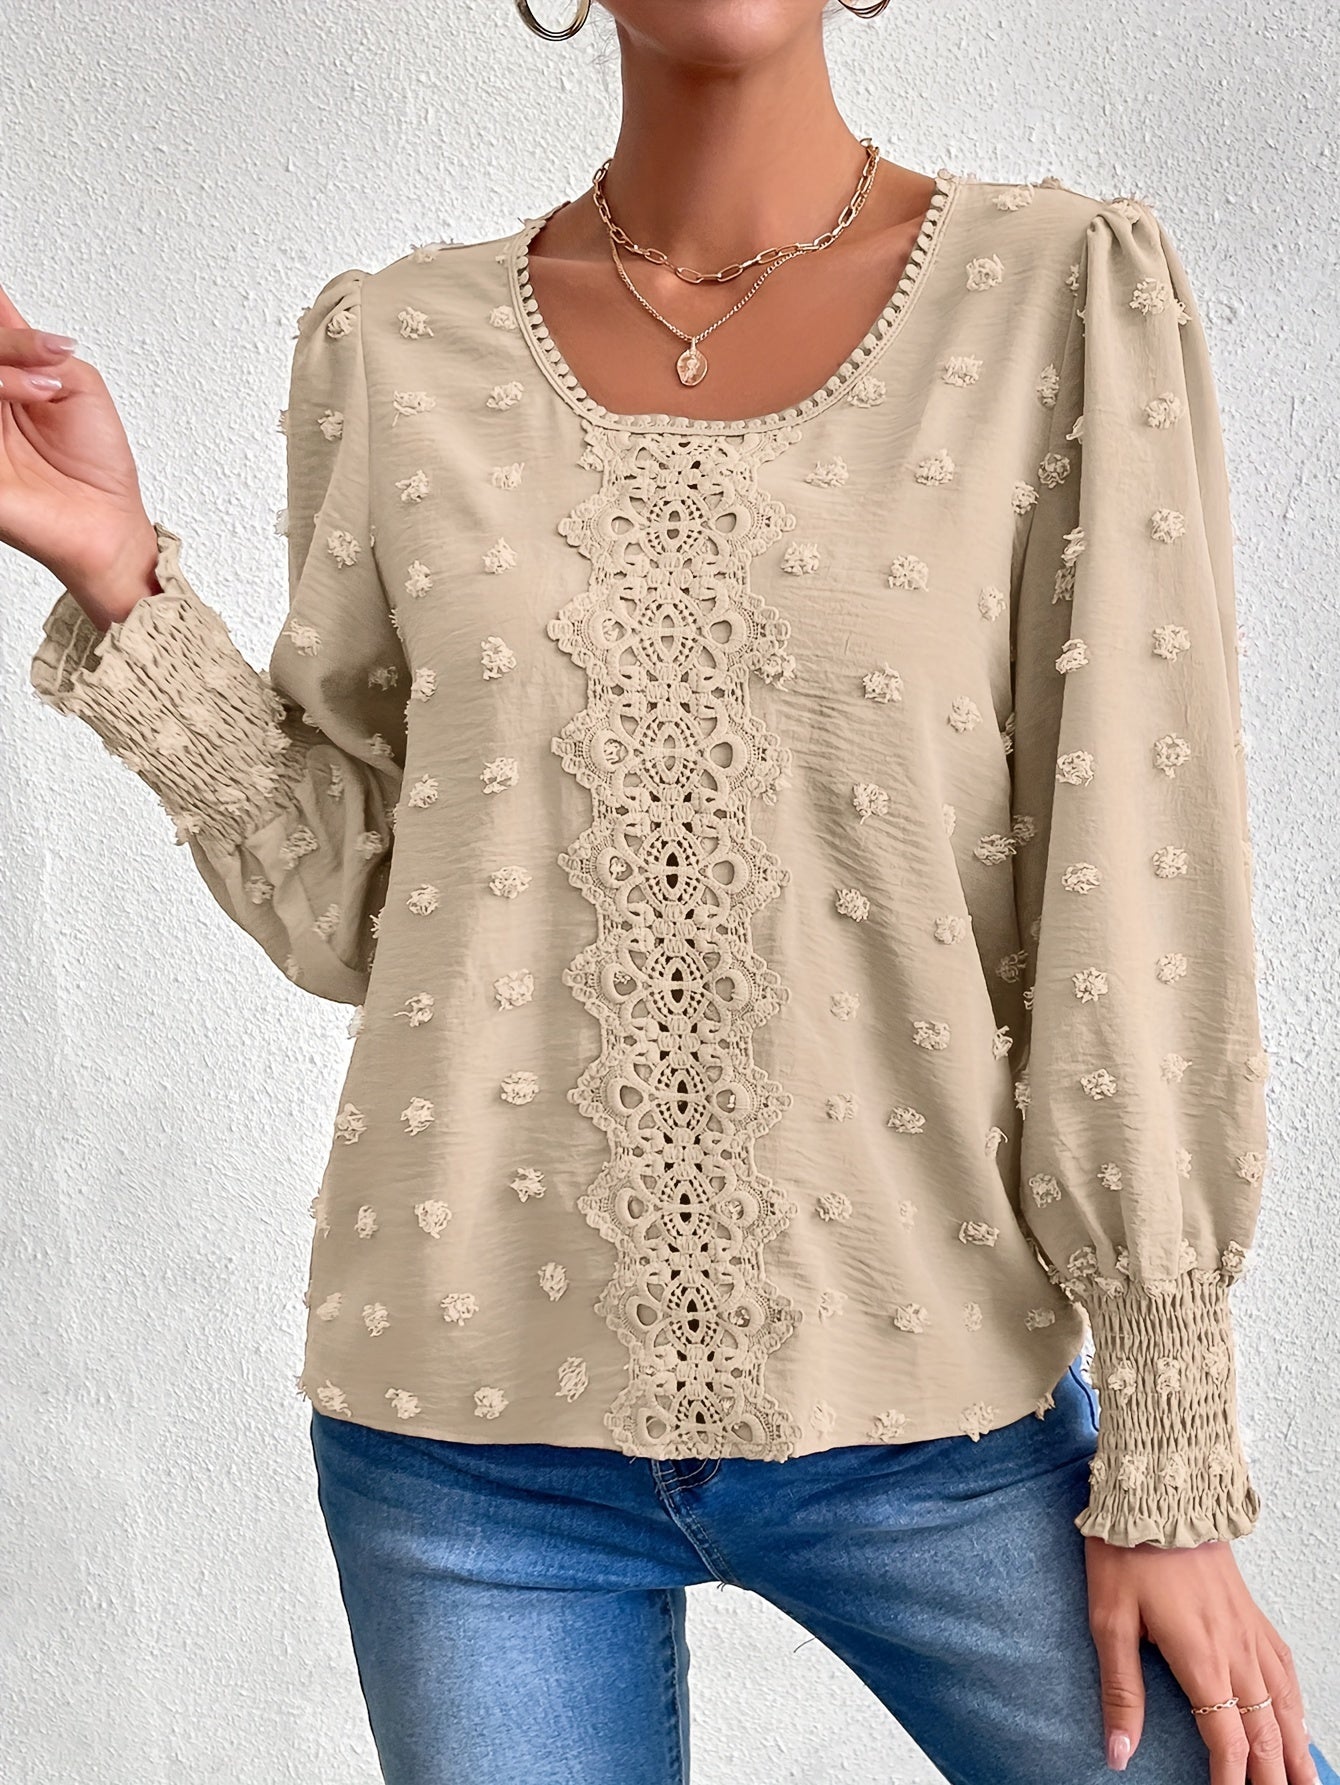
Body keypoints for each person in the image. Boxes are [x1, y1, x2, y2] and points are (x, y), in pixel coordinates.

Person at [3, 1, 1334, 1781]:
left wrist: (1166, 1450)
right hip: (462, 1444)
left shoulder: (1057, 297)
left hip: (936, 1411)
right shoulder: (394, 347)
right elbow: (366, 910)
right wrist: (121, 579)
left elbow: (1138, 874)